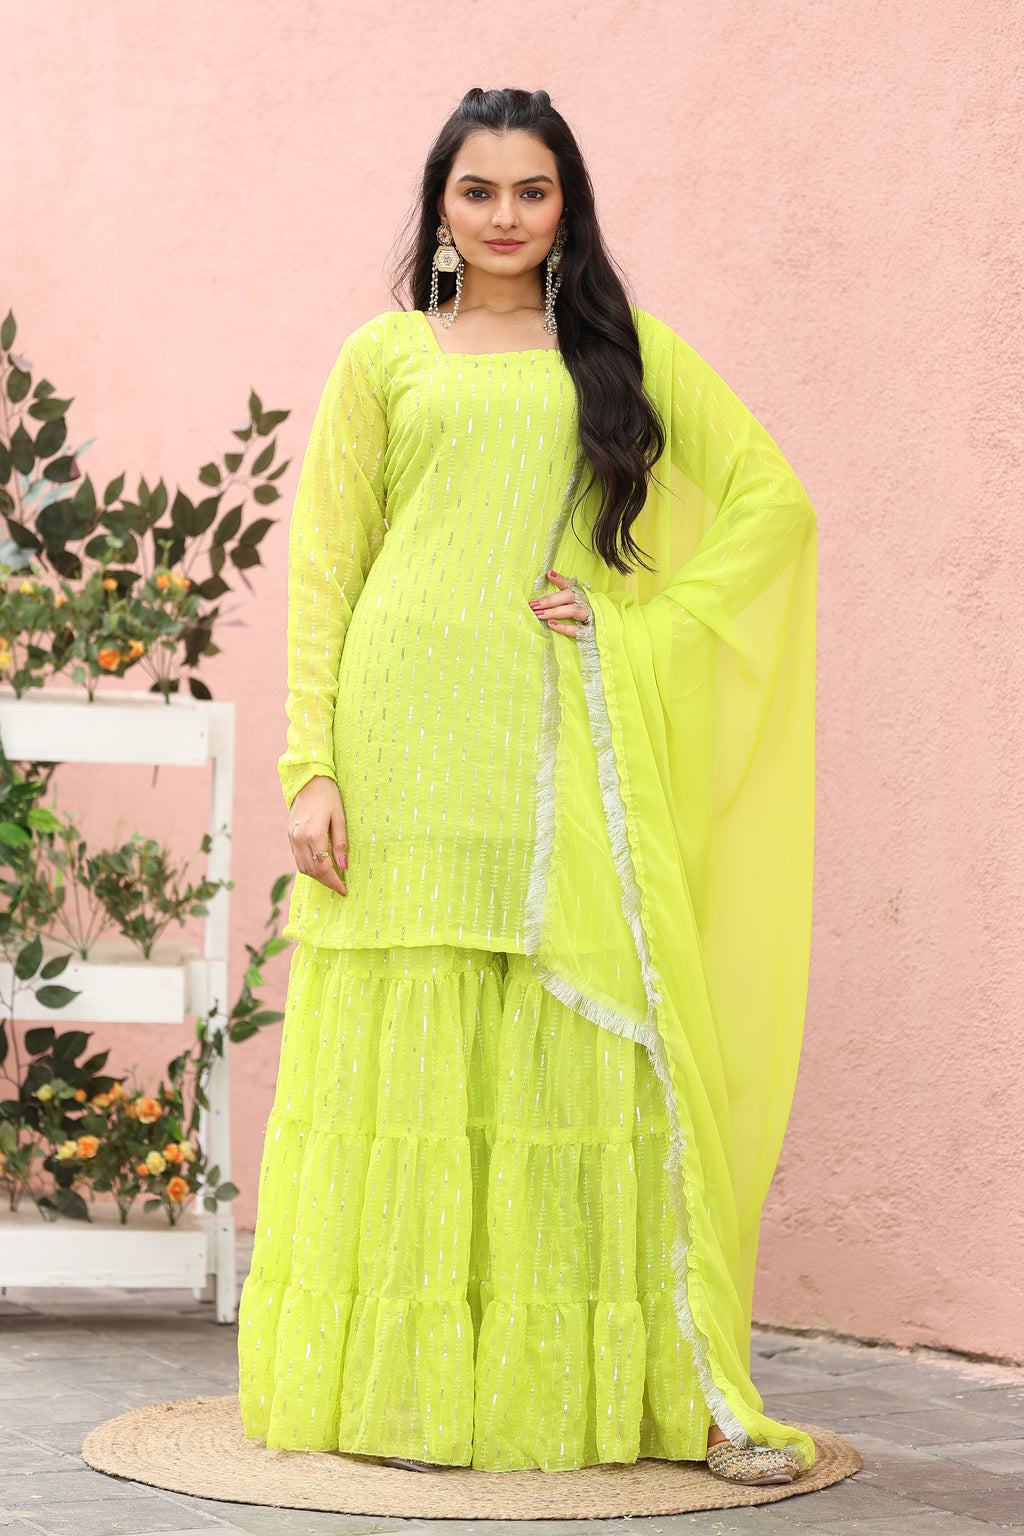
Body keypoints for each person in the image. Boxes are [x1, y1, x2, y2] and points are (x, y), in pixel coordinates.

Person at [237, 86, 817, 1487]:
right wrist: (310, 766)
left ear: (569, 206)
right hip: (398, 729)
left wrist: (640, 623)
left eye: (533, 191)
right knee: (411, 1035)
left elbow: (771, 503)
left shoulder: (613, 353)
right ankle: (409, 1397)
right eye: (479, 190)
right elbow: (328, 564)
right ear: (441, 206)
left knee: (562, 1039)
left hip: (553, 741)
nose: (505, 216)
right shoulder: (383, 357)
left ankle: (563, 1394)